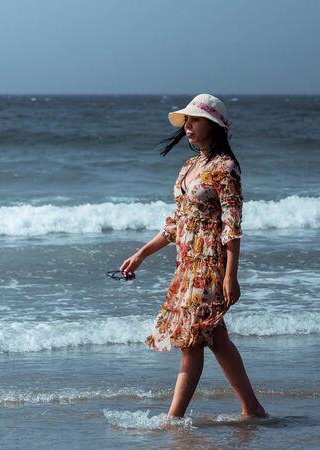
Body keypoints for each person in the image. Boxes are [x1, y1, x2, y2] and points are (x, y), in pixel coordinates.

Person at [119, 94, 266, 418]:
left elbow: (232, 224)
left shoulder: (225, 168)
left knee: (193, 341)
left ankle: (174, 418)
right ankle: (252, 409)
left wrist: (231, 275)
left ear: (213, 126)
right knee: (216, 338)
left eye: (195, 120)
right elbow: (177, 224)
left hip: (210, 263)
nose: (188, 126)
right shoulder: (189, 166)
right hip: (187, 264)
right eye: (186, 120)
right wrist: (141, 254)